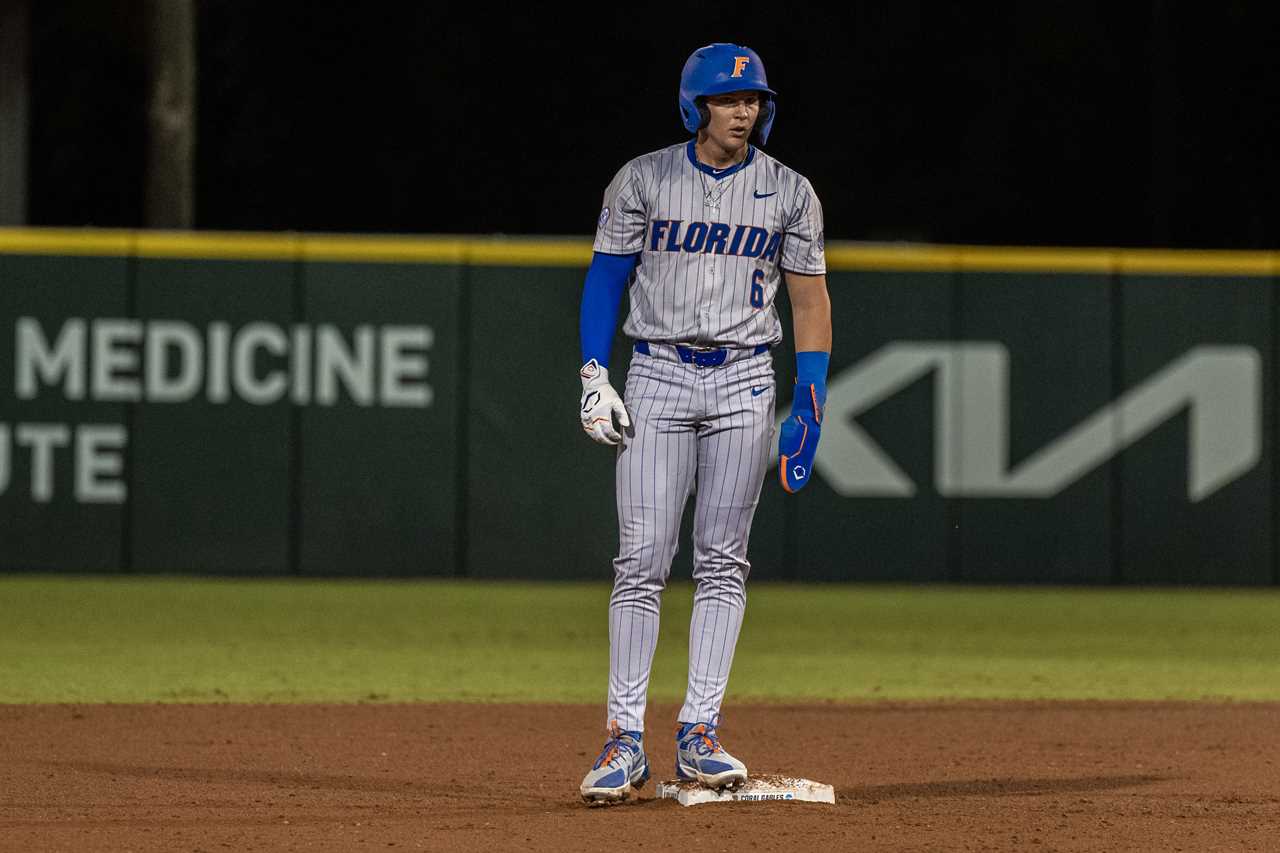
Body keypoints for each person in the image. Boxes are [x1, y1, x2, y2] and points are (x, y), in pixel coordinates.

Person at [576, 42, 831, 804]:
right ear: (697, 106)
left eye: (753, 98)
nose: (743, 110)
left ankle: (699, 730)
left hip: (748, 377)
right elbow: (605, 279)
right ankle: (624, 739)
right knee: (642, 558)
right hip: (656, 371)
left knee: (724, 559)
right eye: (728, 99)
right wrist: (595, 371)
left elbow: (810, 300)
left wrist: (809, 400)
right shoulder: (644, 178)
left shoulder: (790, 190)